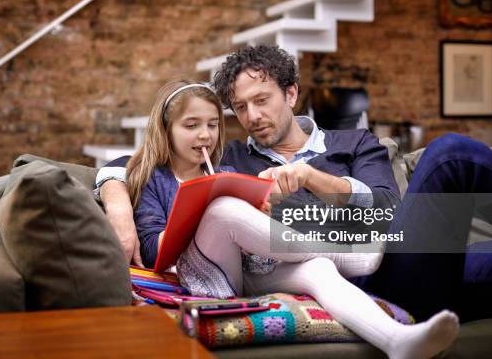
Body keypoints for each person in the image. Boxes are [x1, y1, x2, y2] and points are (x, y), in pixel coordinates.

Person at [96, 45, 492, 322]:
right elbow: (140, 160)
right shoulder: (230, 158)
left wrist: (316, 180)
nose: (252, 116)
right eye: (240, 108)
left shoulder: (353, 144)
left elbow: (389, 212)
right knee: (449, 156)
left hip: (404, 253)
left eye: (262, 100)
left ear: (292, 93)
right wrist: (117, 202)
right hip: (359, 280)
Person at [121, 79, 459, 359]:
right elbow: (153, 249)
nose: (205, 136)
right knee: (221, 208)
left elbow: (248, 231)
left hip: (246, 272)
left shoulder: (224, 167)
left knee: (318, 271)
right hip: (199, 280)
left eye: (212, 125)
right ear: (166, 130)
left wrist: (260, 206)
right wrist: (194, 214)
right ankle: (342, 250)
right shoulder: (154, 178)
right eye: (191, 126)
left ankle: (397, 341)